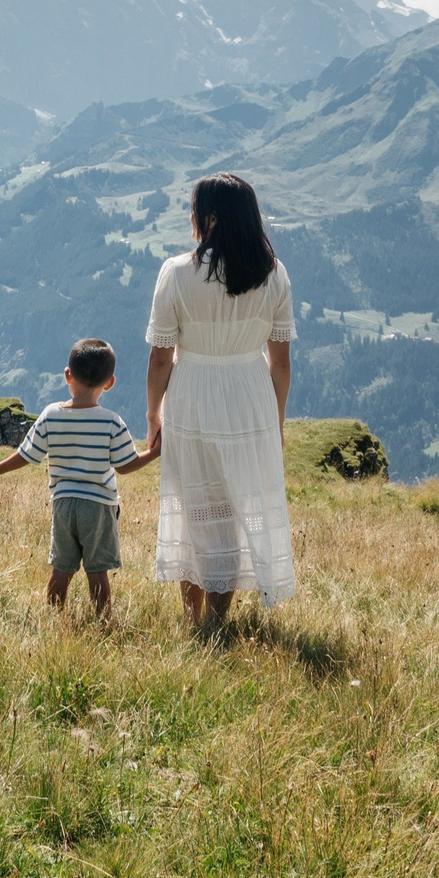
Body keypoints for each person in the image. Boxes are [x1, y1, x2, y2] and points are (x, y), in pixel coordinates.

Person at [145, 173, 296, 622]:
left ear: (208, 218)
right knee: (233, 507)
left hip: (192, 392)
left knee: (195, 505)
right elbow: (281, 362)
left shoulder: (177, 273)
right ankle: (217, 618)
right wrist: (276, 421)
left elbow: (160, 357)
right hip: (250, 395)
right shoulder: (273, 274)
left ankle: (193, 617)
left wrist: (153, 414)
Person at [0, 338, 158, 616]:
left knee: (61, 569)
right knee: (97, 572)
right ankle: (102, 620)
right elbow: (126, 465)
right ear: (110, 383)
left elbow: (27, 454)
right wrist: (156, 452)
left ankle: (53, 616)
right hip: (98, 506)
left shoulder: (51, 414)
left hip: (62, 504)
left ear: (67, 375)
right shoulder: (112, 421)